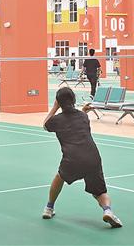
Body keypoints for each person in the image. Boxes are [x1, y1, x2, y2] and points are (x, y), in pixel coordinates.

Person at [42, 87, 122, 228]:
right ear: (73, 100)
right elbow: (76, 121)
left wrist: (55, 107)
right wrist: (83, 111)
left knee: (59, 178)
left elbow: (45, 125)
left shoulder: (57, 120)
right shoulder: (83, 116)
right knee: (100, 192)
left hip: (72, 159)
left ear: (58, 102)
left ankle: (49, 208)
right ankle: (108, 211)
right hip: (93, 157)